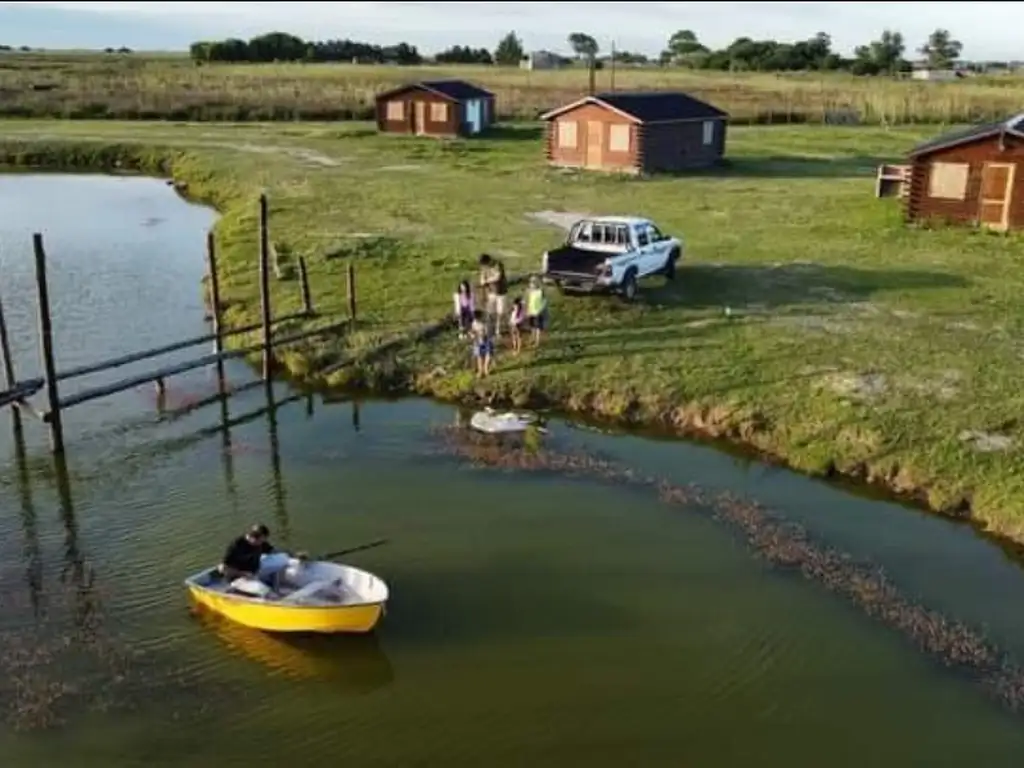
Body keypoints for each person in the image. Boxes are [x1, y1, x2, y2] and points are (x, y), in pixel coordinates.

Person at [478, 254, 508, 339]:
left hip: (501, 291)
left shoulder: (497, 264)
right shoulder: (484, 268)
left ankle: (498, 330)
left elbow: (497, 277)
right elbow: (482, 278)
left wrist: (487, 281)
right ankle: (489, 328)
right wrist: (482, 281)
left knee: (500, 312)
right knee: (490, 311)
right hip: (491, 292)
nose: (485, 267)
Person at [469, 308, 493, 377]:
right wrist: (472, 334)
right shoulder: (474, 323)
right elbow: (472, 330)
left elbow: (488, 332)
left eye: (477, 317)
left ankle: (486, 368)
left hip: (486, 340)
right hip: (478, 341)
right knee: (479, 356)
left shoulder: (485, 322)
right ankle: (480, 370)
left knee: (488, 355)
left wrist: (482, 334)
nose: (476, 319)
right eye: (475, 318)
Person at [525, 275, 548, 347]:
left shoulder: (540, 291)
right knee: (532, 326)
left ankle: (537, 341)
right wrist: (527, 310)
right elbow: (528, 301)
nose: (531, 284)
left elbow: (544, 301)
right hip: (531, 312)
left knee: (538, 327)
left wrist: (540, 309)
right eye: (531, 283)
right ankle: (532, 338)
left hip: (538, 312)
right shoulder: (530, 292)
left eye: (533, 283)